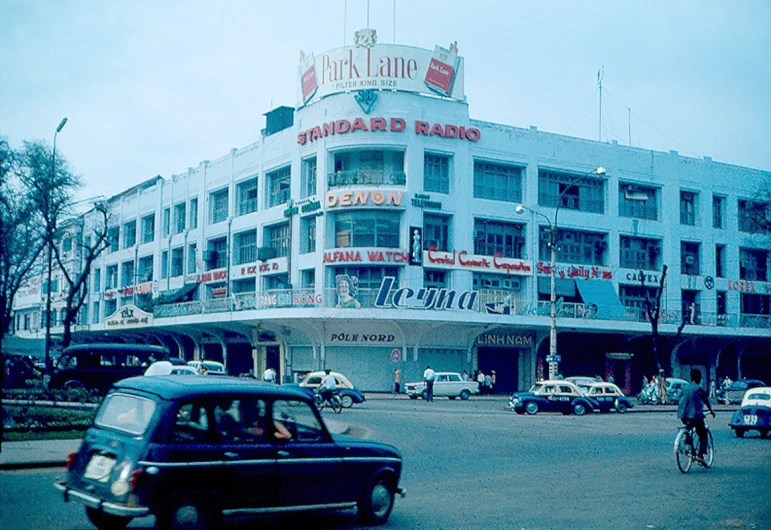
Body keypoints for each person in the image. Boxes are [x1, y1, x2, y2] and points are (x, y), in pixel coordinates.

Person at [677, 368, 715, 464]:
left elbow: (681, 399)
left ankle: (687, 438)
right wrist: (711, 410)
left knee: (689, 426)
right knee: (703, 435)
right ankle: (700, 455)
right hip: (696, 416)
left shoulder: (685, 388)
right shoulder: (699, 388)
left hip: (683, 415)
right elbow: (706, 401)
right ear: (699, 378)